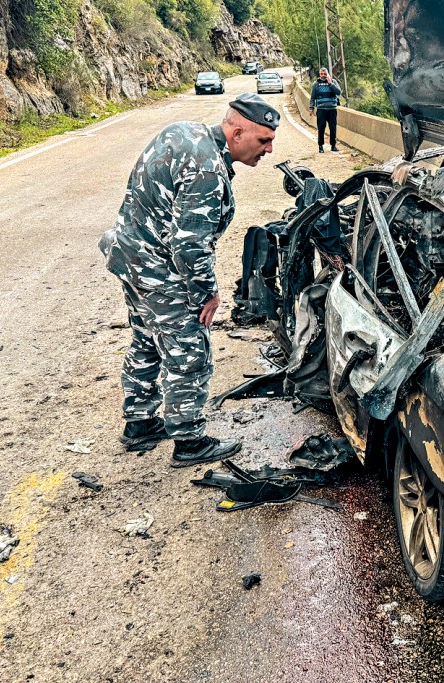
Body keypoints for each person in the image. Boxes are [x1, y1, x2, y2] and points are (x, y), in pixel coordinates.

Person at [99, 93, 279, 467]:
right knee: (189, 351)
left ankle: (140, 422)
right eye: (264, 140)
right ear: (237, 132)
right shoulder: (208, 171)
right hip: (159, 268)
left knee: (147, 339)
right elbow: (190, 244)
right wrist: (206, 294)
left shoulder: (185, 132)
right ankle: (189, 440)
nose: (269, 150)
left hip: (130, 256)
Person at [311, 66, 342, 153]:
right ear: (319, 74)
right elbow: (312, 97)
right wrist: (311, 108)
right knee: (321, 128)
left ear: (328, 74)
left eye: (325, 74)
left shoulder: (333, 82)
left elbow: (338, 92)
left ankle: (333, 145)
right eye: (322, 74)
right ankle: (320, 146)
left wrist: (330, 83)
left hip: (332, 109)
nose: (323, 75)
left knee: (333, 127)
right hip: (321, 109)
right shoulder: (316, 84)